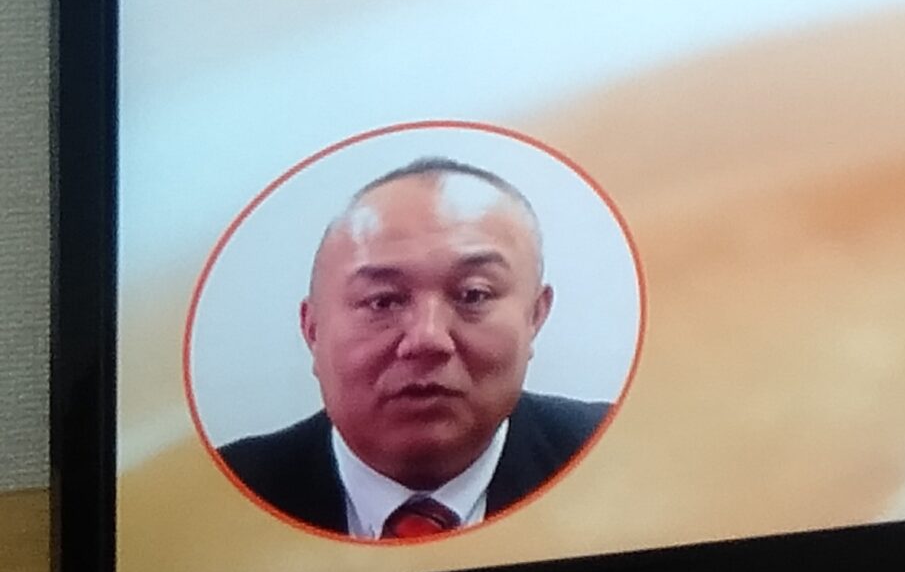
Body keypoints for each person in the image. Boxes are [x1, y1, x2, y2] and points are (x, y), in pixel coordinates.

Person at [215, 156, 611, 540]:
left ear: (535, 316)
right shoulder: (214, 498)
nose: (428, 338)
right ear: (312, 330)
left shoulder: (619, 454)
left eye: (473, 294)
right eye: (383, 301)